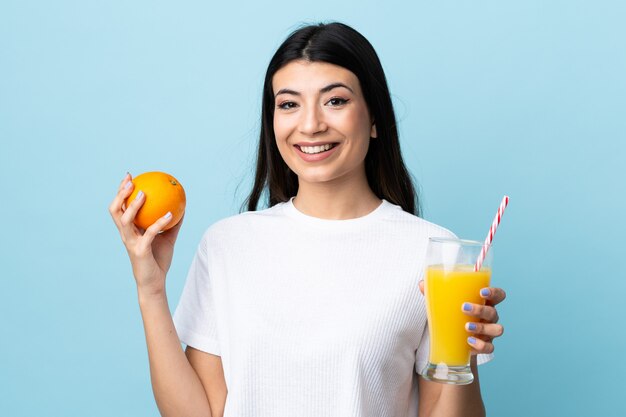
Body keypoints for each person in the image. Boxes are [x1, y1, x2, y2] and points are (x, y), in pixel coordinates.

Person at [109, 22, 506, 417]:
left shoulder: (434, 254)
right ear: (273, 121)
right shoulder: (226, 244)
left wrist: (462, 354)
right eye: (289, 104)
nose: (311, 124)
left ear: (374, 120)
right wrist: (151, 289)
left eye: (335, 101)